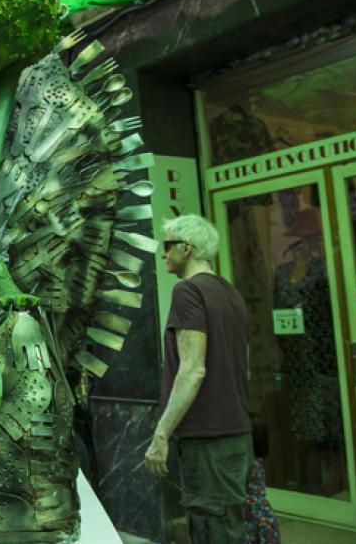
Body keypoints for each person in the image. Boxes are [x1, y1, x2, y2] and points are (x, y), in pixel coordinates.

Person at [145, 214, 252, 544]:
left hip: (208, 440)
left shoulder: (188, 292)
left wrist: (161, 434)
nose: (163, 254)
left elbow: (193, 369)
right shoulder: (230, 292)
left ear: (187, 248)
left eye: (167, 246)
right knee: (229, 527)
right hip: (236, 433)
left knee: (211, 532)